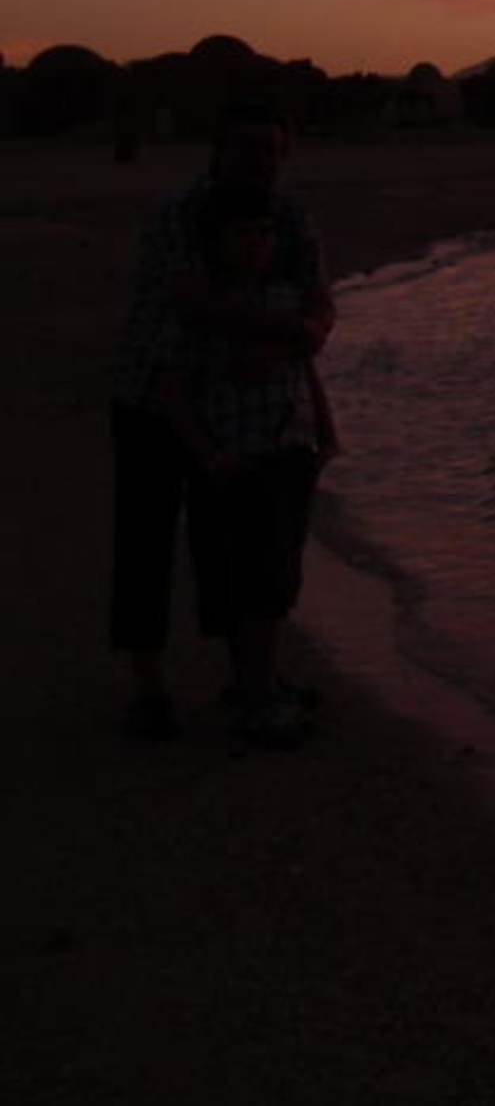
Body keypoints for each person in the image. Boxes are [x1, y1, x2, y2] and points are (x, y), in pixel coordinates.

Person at [109, 100, 333, 742]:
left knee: (230, 543)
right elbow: (193, 304)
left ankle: (250, 679)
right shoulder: (179, 218)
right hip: (155, 395)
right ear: (217, 151)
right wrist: (291, 331)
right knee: (145, 543)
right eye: (246, 148)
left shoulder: (290, 218)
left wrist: (304, 335)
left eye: (272, 150)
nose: (260, 161)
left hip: (236, 411)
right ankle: (149, 688)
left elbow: (321, 305)